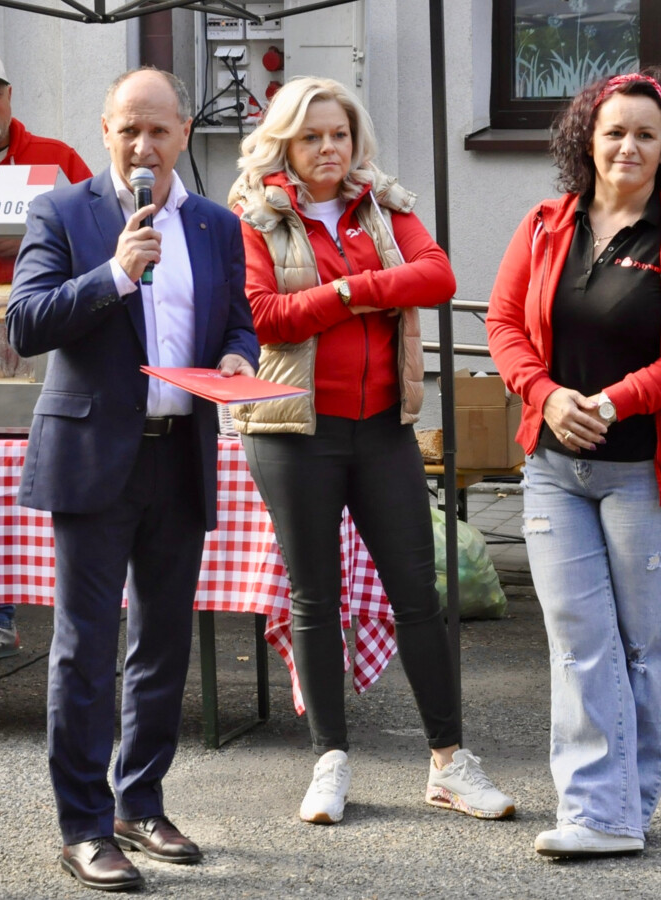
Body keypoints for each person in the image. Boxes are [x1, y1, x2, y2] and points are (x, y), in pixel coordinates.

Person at [228, 75, 515, 826]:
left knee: (418, 597)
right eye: (312, 136)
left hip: (384, 425)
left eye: (340, 134)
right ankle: (329, 761)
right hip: (293, 429)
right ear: (285, 142)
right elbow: (264, 316)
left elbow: (439, 276)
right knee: (314, 598)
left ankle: (449, 763)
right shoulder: (255, 212)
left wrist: (340, 292)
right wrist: (361, 293)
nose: (329, 148)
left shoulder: (382, 203)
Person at [7, 67, 258, 891]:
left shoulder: (218, 224)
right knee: (84, 649)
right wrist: (115, 274)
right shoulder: (62, 210)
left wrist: (236, 357)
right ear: (106, 131)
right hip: (92, 456)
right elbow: (24, 323)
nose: (143, 146)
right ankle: (82, 826)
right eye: (128, 130)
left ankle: (138, 802)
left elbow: (237, 322)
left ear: (184, 131)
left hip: (179, 449)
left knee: (162, 642)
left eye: (158, 130)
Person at [486, 67, 661, 859]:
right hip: (554, 467)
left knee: (641, 644)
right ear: (585, 138)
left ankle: (626, 808)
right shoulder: (543, 224)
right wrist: (545, 395)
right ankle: (597, 812)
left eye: (644, 135)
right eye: (613, 131)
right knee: (579, 638)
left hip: (647, 470)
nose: (627, 146)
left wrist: (614, 402)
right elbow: (503, 323)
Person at [0, 47, 93, 666]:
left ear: (9, 97)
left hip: (40, 343)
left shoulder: (55, 159)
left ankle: (36, 613)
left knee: (21, 477)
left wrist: (36, 236)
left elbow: (101, 235)